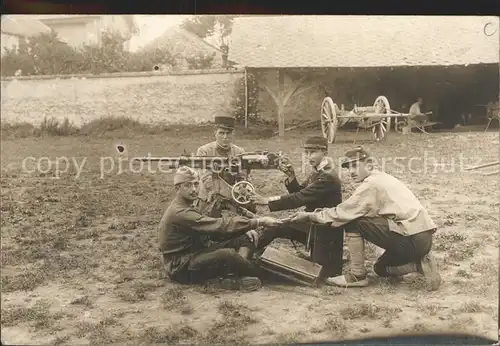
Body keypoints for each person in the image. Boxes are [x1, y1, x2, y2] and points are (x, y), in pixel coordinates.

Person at [284, 147, 441, 291]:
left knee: (354, 221)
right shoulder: (381, 177)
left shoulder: (371, 184)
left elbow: (345, 213)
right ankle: (418, 264)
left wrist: (311, 215)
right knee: (380, 269)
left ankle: (357, 275)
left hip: (412, 238)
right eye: (348, 167)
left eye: (355, 166)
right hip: (422, 237)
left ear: (370, 164)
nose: (351, 171)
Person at [158, 166, 282, 292]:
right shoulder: (180, 212)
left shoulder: (187, 205)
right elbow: (219, 226)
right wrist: (258, 221)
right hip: (181, 267)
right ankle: (266, 274)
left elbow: (212, 232)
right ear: (177, 189)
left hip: (195, 253)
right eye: (188, 185)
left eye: (196, 184)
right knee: (227, 254)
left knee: (243, 239)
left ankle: (233, 275)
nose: (194, 189)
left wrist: (243, 230)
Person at [249, 136, 344, 277]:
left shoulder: (327, 176)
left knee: (274, 227)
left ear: (324, 152)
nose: (308, 156)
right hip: (315, 225)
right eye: (307, 152)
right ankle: (247, 252)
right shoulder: (319, 171)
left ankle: (244, 254)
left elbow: (298, 198)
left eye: (313, 152)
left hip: (324, 231)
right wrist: (291, 175)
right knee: (274, 227)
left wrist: (267, 200)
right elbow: (301, 193)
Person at [195, 115, 249, 216]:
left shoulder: (239, 152)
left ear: (233, 134)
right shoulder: (204, 151)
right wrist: (212, 191)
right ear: (215, 133)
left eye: (228, 133)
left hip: (232, 197)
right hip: (209, 197)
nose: (225, 137)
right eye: (221, 133)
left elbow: (243, 176)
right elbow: (205, 176)